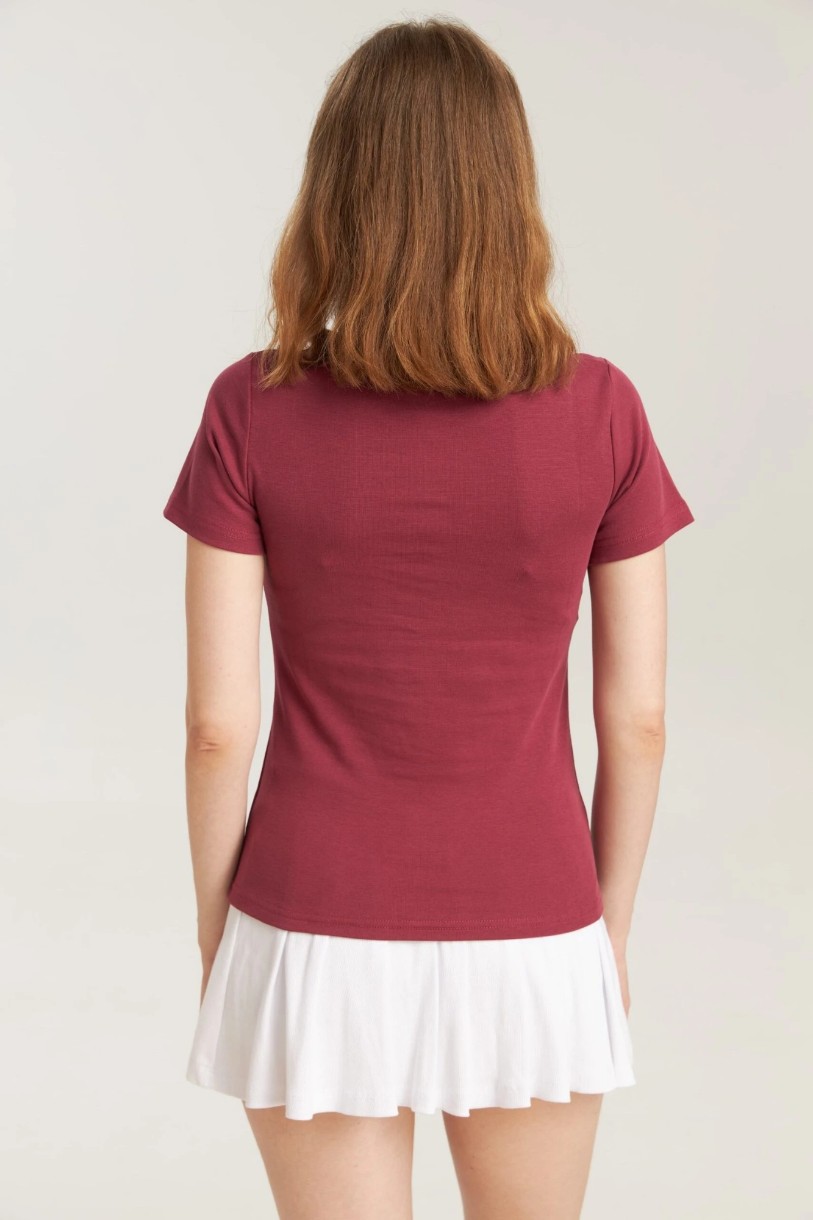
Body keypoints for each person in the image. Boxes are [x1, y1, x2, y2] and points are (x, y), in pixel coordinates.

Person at [162, 16, 695, 1220]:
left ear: (335, 190)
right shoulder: (604, 409)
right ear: (509, 192)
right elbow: (641, 719)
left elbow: (214, 725)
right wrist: (605, 931)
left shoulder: (251, 407)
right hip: (537, 918)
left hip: (309, 917)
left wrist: (218, 932)